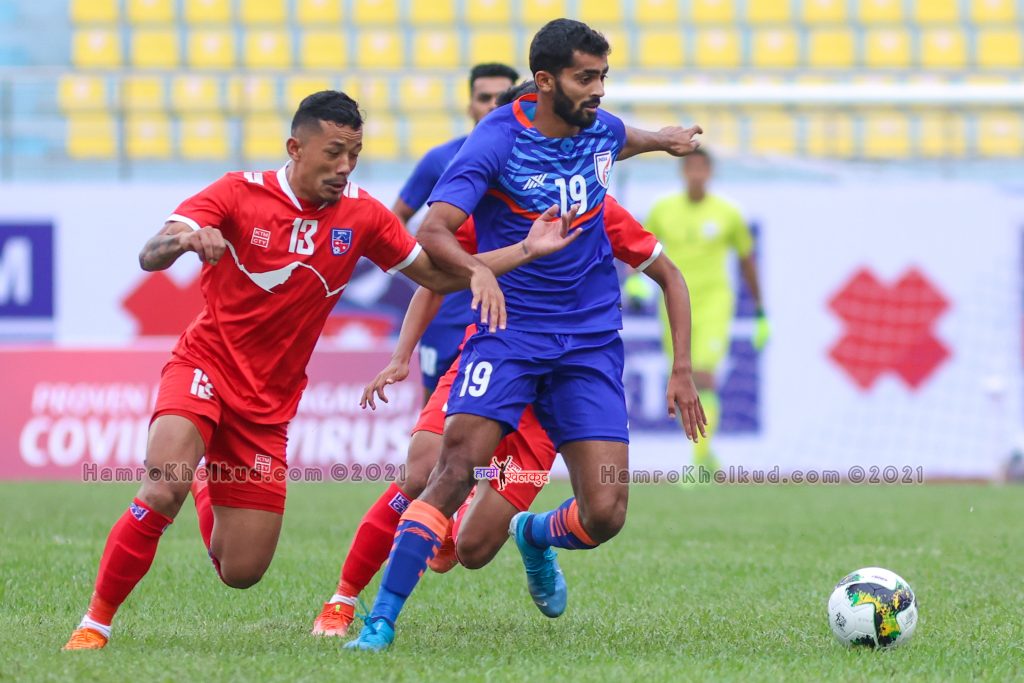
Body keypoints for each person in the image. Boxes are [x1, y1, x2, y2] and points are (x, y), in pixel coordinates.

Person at [62, 90, 582, 651]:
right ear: (295, 148)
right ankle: (94, 624)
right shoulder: (237, 192)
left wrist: (526, 250)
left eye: (354, 154)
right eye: (333, 152)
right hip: (204, 366)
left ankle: (206, 477)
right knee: (164, 486)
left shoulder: (363, 215)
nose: (344, 166)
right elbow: (150, 253)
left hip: (268, 405)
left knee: (242, 571)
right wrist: (185, 240)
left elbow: (437, 275)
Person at [345, 19, 707, 651]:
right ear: (544, 81)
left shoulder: (599, 128)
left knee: (606, 513)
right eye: (585, 78)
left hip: (589, 345)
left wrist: (665, 140)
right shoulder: (495, 140)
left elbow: (626, 138)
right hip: (510, 338)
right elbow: (432, 232)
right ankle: (379, 620)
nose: (599, 90)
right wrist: (480, 268)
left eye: (603, 77)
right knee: (450, 471)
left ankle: (535, 534)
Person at [311, 191, 689, 637]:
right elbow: (434, 277)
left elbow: (667, 272)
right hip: (493, 361)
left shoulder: (596, 206)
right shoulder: (493, 201)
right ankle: (344, 600)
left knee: (472, 550)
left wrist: (681, 368)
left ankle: (532, 533)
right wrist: (400, 356)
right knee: (422, 472)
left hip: (555, 390)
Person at [393, 63, 520, 402]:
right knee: (433, 411)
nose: (492, 105)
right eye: (484, 97)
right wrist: (424, 268)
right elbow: (398, 217)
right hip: (447, 310)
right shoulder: (441, 159)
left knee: (497, 418)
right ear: (470, 106)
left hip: (508, 311)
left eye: (501, 98)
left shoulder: (533, 161)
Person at [645, 149, 768, 476]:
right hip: (673, 304)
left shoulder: (728, 213)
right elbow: (640, 249)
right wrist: (634, 281)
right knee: (682, 379)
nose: (697, 175)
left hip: (714, 303)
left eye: (702, 169)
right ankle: (705, 454)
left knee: (704, 375)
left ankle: (698, 464)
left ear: (710, 173)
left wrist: (760, 311)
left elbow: (747, 261)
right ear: (683, 172)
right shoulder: (662, 210)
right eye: (691, 168)